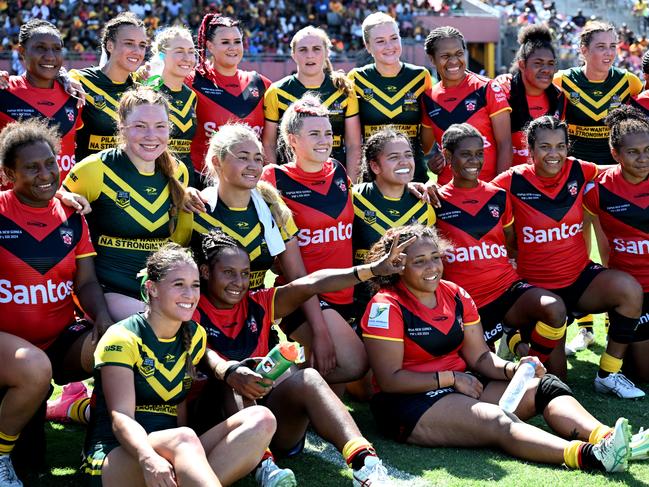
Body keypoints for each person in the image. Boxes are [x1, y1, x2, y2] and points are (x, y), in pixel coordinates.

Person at [361, 224, 637, 472]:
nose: (432, 268)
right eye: (419, 262)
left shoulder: (455, 294)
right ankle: (593, 456)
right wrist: (452, 378)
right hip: (408, 402)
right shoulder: (385, 305)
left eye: (435, 258)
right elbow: (389, 380)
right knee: (498, 420)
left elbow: (480, 356)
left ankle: (609, 438)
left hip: (462, 386)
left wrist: (514, 369)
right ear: (397, 266)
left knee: (546, 386)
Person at [192, 228, 401, 486]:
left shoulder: (259, 302)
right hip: (218, 429)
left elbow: (313, 283)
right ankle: (264, 466)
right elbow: (203, 352)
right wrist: (229, 371)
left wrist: (371, 270)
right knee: (232, 379)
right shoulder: (191, 307)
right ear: (205, 272)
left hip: (271, 422)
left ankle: (364, 465)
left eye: (245, 274)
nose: (239, 282)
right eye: (228, 273)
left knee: (309, 378)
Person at [82, 243, 276, 486]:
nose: (190, 294)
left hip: (176, 450)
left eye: (195, 286)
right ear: (152, 288)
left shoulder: (194, 336)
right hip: (118, 456)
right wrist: (148, 457)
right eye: (178, 285)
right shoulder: (122, 336)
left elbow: (179, 409)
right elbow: (121, 418)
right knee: (183, 438)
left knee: (262, 418)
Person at [178, 122, 358, 381]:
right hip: (207, 317)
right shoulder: (195, 209)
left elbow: (297, 274)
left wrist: (320, 333)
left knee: (351, 362)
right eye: (243, 158)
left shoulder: (273, 209)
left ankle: (297, 384)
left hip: (257, 313)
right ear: (217, 162)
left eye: (258, 158)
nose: (253, 166)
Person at [492, 116, 646, 399]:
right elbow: (473, 195)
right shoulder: (509, 181)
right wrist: (426, 188)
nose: (554, 154)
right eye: (545, 147)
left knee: (629, 290)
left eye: (560, 146)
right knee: (557, 380)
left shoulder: (580, 170)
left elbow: (621, 167)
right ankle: (513, 335)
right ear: (529, 148)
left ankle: (608, 374)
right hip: (539, 291)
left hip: (579, 279)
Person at [0, 119, 112, 486]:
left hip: (55, 342)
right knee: (33, 371)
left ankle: (100, 447)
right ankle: (0, 458)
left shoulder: (72, 216)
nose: (45, 174)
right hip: (10, 348)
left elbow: (87, 281)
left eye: (50, 163)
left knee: (115, 346)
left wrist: (103, 319)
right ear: (8, 174)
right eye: (31, 168)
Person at [435, 123, 567, 368]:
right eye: (466, 154)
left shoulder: (498, 195)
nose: (475, 161)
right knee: (481, 378)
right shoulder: (435, 201)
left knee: (555, 311)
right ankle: (514, 340)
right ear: (448, 157)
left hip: (507, 290)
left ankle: (527, 363)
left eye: (479, 153)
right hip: (467, 304)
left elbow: (509, 243)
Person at [260, 94, 368, 382]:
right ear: (292, 140)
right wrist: (319, 331)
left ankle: (297, 399)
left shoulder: (338, 171)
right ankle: (269, 386)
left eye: (328, 133)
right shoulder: (273, 178)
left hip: (345, 293)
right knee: (354, 363)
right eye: (314, 134)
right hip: (305, 295)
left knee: (354, 383)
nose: (325, 140)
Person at [63, 86, 190, 322]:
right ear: (122, 126)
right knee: (159, 325)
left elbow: (178, 242)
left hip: (156, 292)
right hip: (106, 292)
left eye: (160, 126)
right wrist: (62, 197)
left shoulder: (178, 172)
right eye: (140, 126)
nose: (151, 135)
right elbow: (49, 211)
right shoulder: (95, 169)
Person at [584, 106, 649, 386]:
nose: (643, 158)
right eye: (633, 152)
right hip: (632, 295)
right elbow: (575, 229)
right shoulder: (599, 189)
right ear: (615, 154)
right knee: (644, 375)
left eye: (648, 149)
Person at [353, 127, 436, 316]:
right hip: (361, 303)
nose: (404, 161)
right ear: (375, 166)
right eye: (393, 157)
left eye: (408, 154)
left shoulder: (425, 205)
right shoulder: (354, 199)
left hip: (411, 305)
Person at [263, 26, 362, 180]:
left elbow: (353, 144)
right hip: (291, 179)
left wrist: (351, 185)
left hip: (335, 177)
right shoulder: (276, 92)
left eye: (316, 49)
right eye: (303, 50)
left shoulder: (345, 90)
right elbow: (269, 144)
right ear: (293, 54)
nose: (310, 55)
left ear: (327, 52)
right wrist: (273, 183)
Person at [420, 26, 512, 185]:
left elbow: (505, 144)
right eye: (445, 56)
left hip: (486, 189)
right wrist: (433, 164)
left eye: (459, 54)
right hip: (448, 194)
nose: (454, 61)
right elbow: (425, 148)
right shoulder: (428, 98)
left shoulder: (486, 88)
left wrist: (498, 190)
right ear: (431, 59)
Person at [348, 12, 433, 183]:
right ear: (368, 46)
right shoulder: (356, 79)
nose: (389, 46)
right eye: (380, 41)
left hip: (413, 175)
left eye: (394, 38)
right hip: (372, 177)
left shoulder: (420, 77)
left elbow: (426, 140)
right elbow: (353, 142)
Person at [189, 14, 271, 185]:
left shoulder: (261, 84)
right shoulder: (192, 81)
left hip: (250, 181)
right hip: (202, 181)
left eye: (237, 41)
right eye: (225, 42)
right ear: (210, 46)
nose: (232, 47)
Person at [0, 19, 82, 187]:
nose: (50, 56)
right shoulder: (4, 91)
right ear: (22, 51)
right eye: (40, 48)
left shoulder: (74, 95)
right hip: (11, 206)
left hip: (62, 204)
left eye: (56, 49)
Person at [553, 21, 642, 167]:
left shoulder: (629, 81)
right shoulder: (562, 80)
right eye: (601, 47)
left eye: (613, 46)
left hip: (614, 168)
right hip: (575, 168)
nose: (609, 52)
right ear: (584, 50)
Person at [69, 12, 147, 161]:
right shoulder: (79, 81)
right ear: (110, 45)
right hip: (88, 178)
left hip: (128, 178)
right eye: (129, 43)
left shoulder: (140, 89)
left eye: (142, 45)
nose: (137, 51)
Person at [506, 24, 566, 166]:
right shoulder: (503, 94)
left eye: (551, 64)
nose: (546, 70)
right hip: (512, 181)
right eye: (538, 63)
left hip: (547, 180)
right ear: (522, 65)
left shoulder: (559, 97)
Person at [150, 26, 198, 188]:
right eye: (179, 51)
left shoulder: (191, 96)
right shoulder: (148, 91)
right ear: (161, 55)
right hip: (155, 178)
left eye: (191, 51)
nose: (187, 58)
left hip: (187, 180)